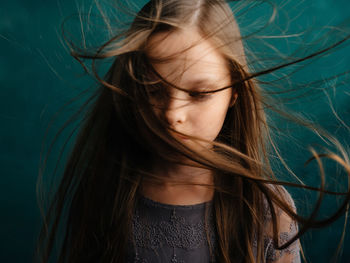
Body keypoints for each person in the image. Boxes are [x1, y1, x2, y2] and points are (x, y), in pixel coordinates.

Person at [36, 0, 350, 262]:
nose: (173, 115)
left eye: (199, 94)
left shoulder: (265, 209)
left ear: (235, 93)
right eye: (153, 89)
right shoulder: (104, 192)